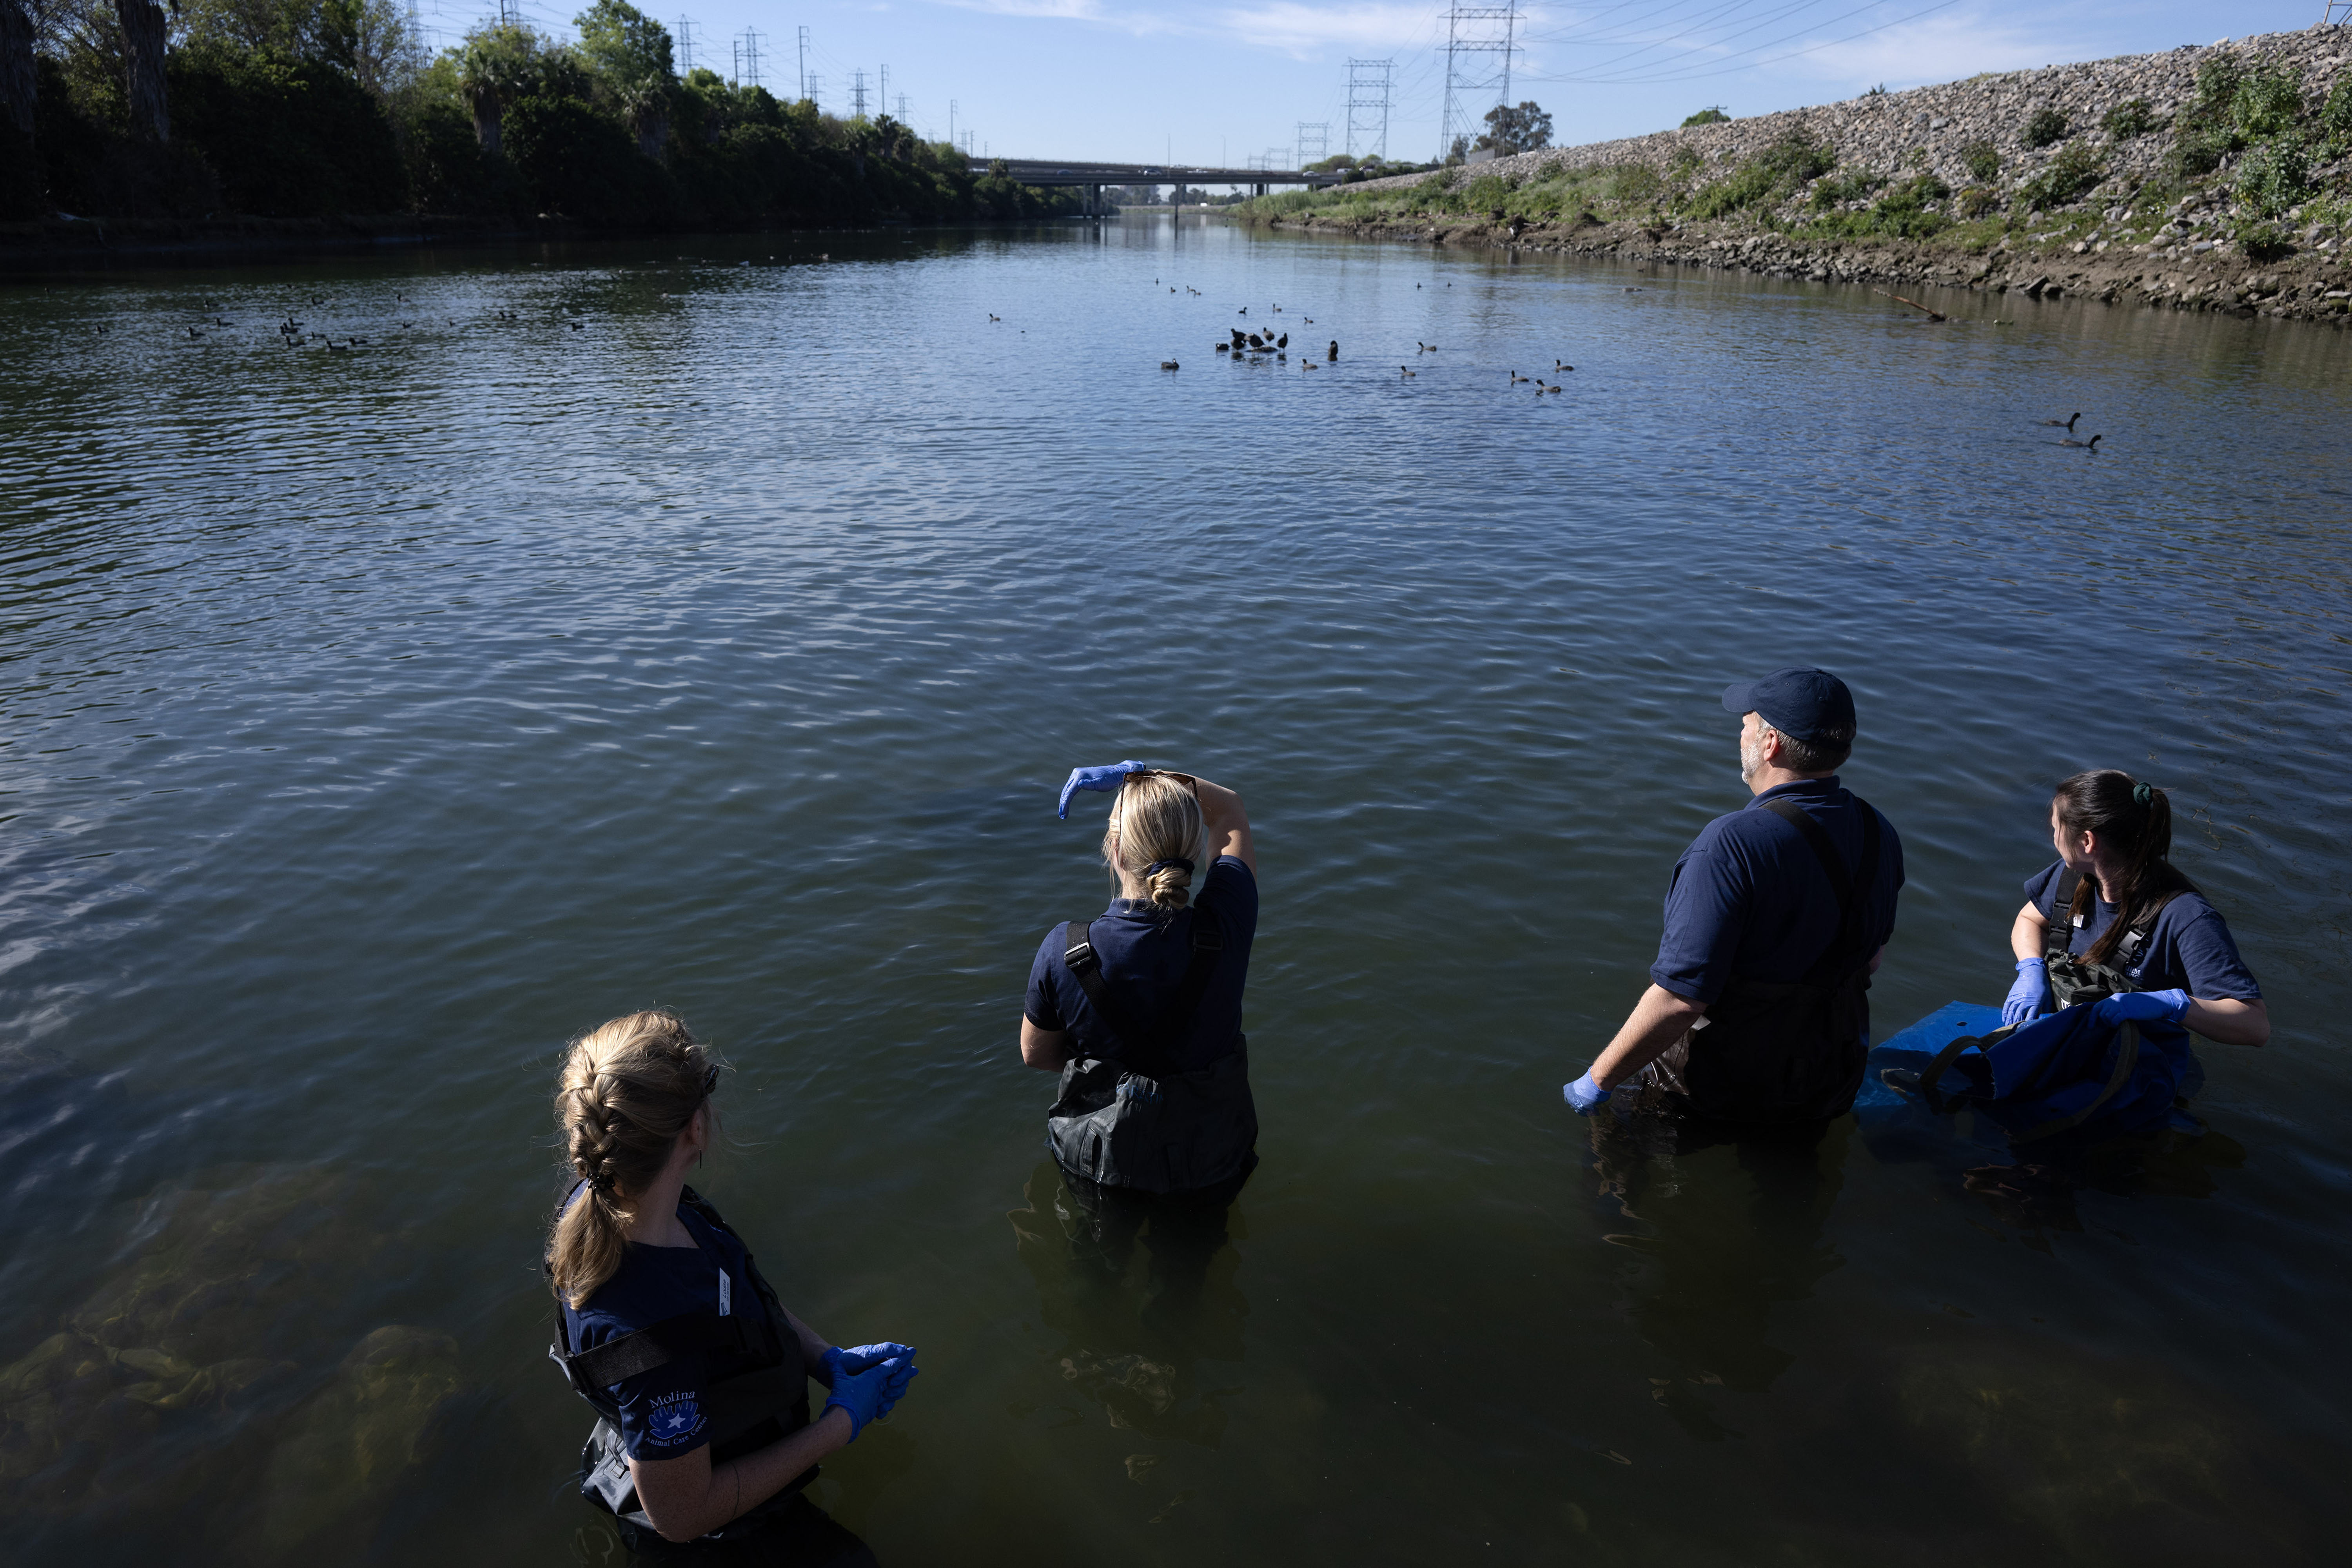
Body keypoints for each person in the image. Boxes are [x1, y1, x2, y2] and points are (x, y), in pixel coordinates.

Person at [545, 1010, 918, 1552]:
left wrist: (824, 1358)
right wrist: (841, 1424)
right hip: (718, 1532)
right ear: (695, 1128)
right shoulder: (652, 1344)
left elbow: (732, 1302)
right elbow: (682, 1516)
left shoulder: (625, 1200)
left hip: (690, 1444)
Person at [1564, 668, 1904, 1124]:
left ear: (1770, 744)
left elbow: (1680, 1000)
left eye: (1747, 724)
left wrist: (1596, 1082)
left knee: (1613, 1151)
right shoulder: (1879, 830)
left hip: (1721, 1090)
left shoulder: (1730, 845)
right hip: (1828, 1075)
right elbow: (1871, 960)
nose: (1740, 734)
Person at [1022, 762, 1259, 1201]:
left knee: (1096, 1241)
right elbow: (1229, 810)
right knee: (1203, 1241)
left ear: (1114, 850)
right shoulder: (1229, 922)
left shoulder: (1065, 951)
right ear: (1194, 851)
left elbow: (1037, 1054)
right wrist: (1146, 772)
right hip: (1209, 1160)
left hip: (1103, 1165)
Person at [1999, 770, 2268, 1046]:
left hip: (2136, 1059)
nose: (2054, 837)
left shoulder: (2187, 917)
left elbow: (2256, 1027)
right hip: (2066, 1037)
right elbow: (2030, 919)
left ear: (2087, 842)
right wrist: (2031, 968)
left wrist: (2172, 1003)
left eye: (2057, 828)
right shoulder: (2072, 877)